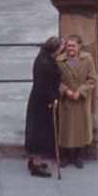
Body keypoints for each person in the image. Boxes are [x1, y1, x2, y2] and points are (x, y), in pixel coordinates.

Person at [24, 35, 63, 178]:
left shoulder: (44, 58)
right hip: (42, 103)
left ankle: (34, 161)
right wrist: (53, 98)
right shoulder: (45, 64)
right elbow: (45, 85)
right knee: (39, 134)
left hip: (39, 100)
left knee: (38, 132)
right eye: (60, 48)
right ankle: (36, 164)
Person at [57, 33, 97, 168]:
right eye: (68, 46)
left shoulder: (87, 59)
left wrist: (80, 92)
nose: (70, 49)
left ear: (79, 46)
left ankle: (79, 155)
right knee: (67, 129)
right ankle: (67, 155)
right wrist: (65, 91)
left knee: (80, 128)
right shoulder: (60, 60)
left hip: (80, 100)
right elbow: (56, 81)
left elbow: (92, 79)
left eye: (73, 46)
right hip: (67, 101)